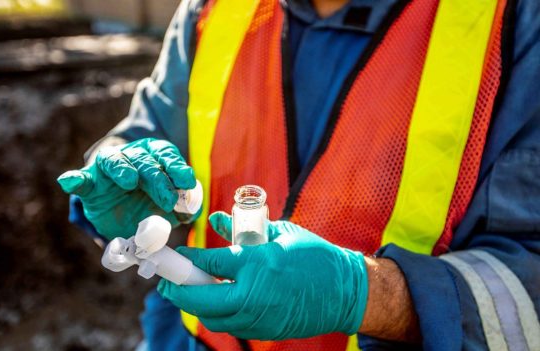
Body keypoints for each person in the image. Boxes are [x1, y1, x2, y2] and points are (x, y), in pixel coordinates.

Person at [57, 0, 540, 350]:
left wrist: (366, 294)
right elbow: (143, 135)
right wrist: (116, 171)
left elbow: (527, 289)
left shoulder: (511, 22)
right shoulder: (212, 11)